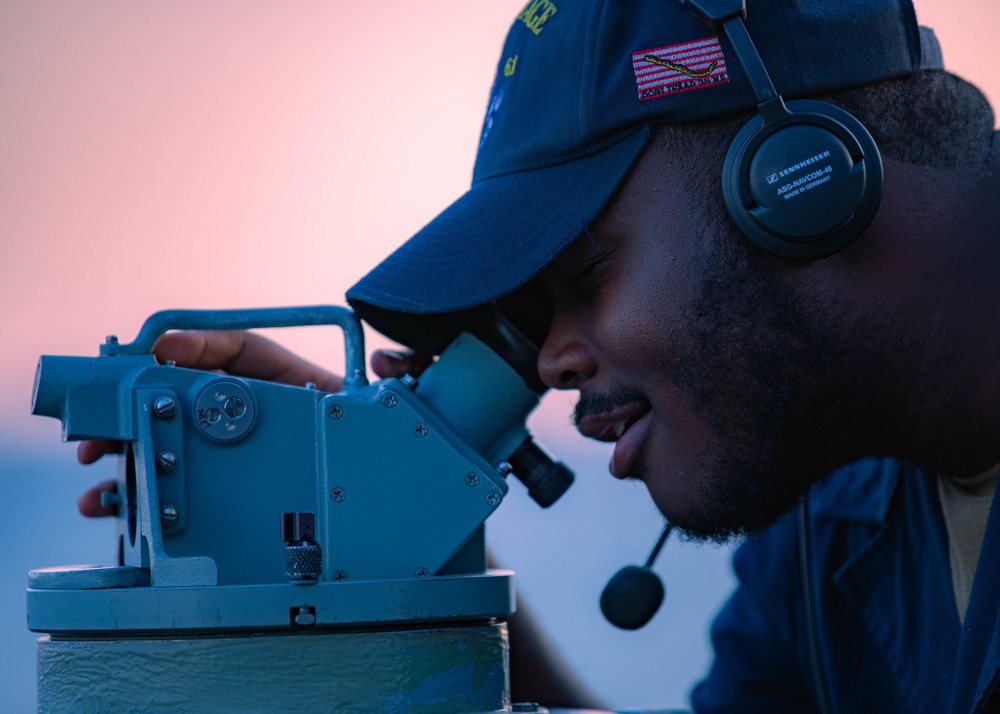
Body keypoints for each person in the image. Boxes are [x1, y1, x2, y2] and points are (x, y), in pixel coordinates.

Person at [79, 0, 1000, 711]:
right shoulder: (829, 529)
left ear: (797, 181)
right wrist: (391, 531)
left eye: (585, 274)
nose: (554, 365)